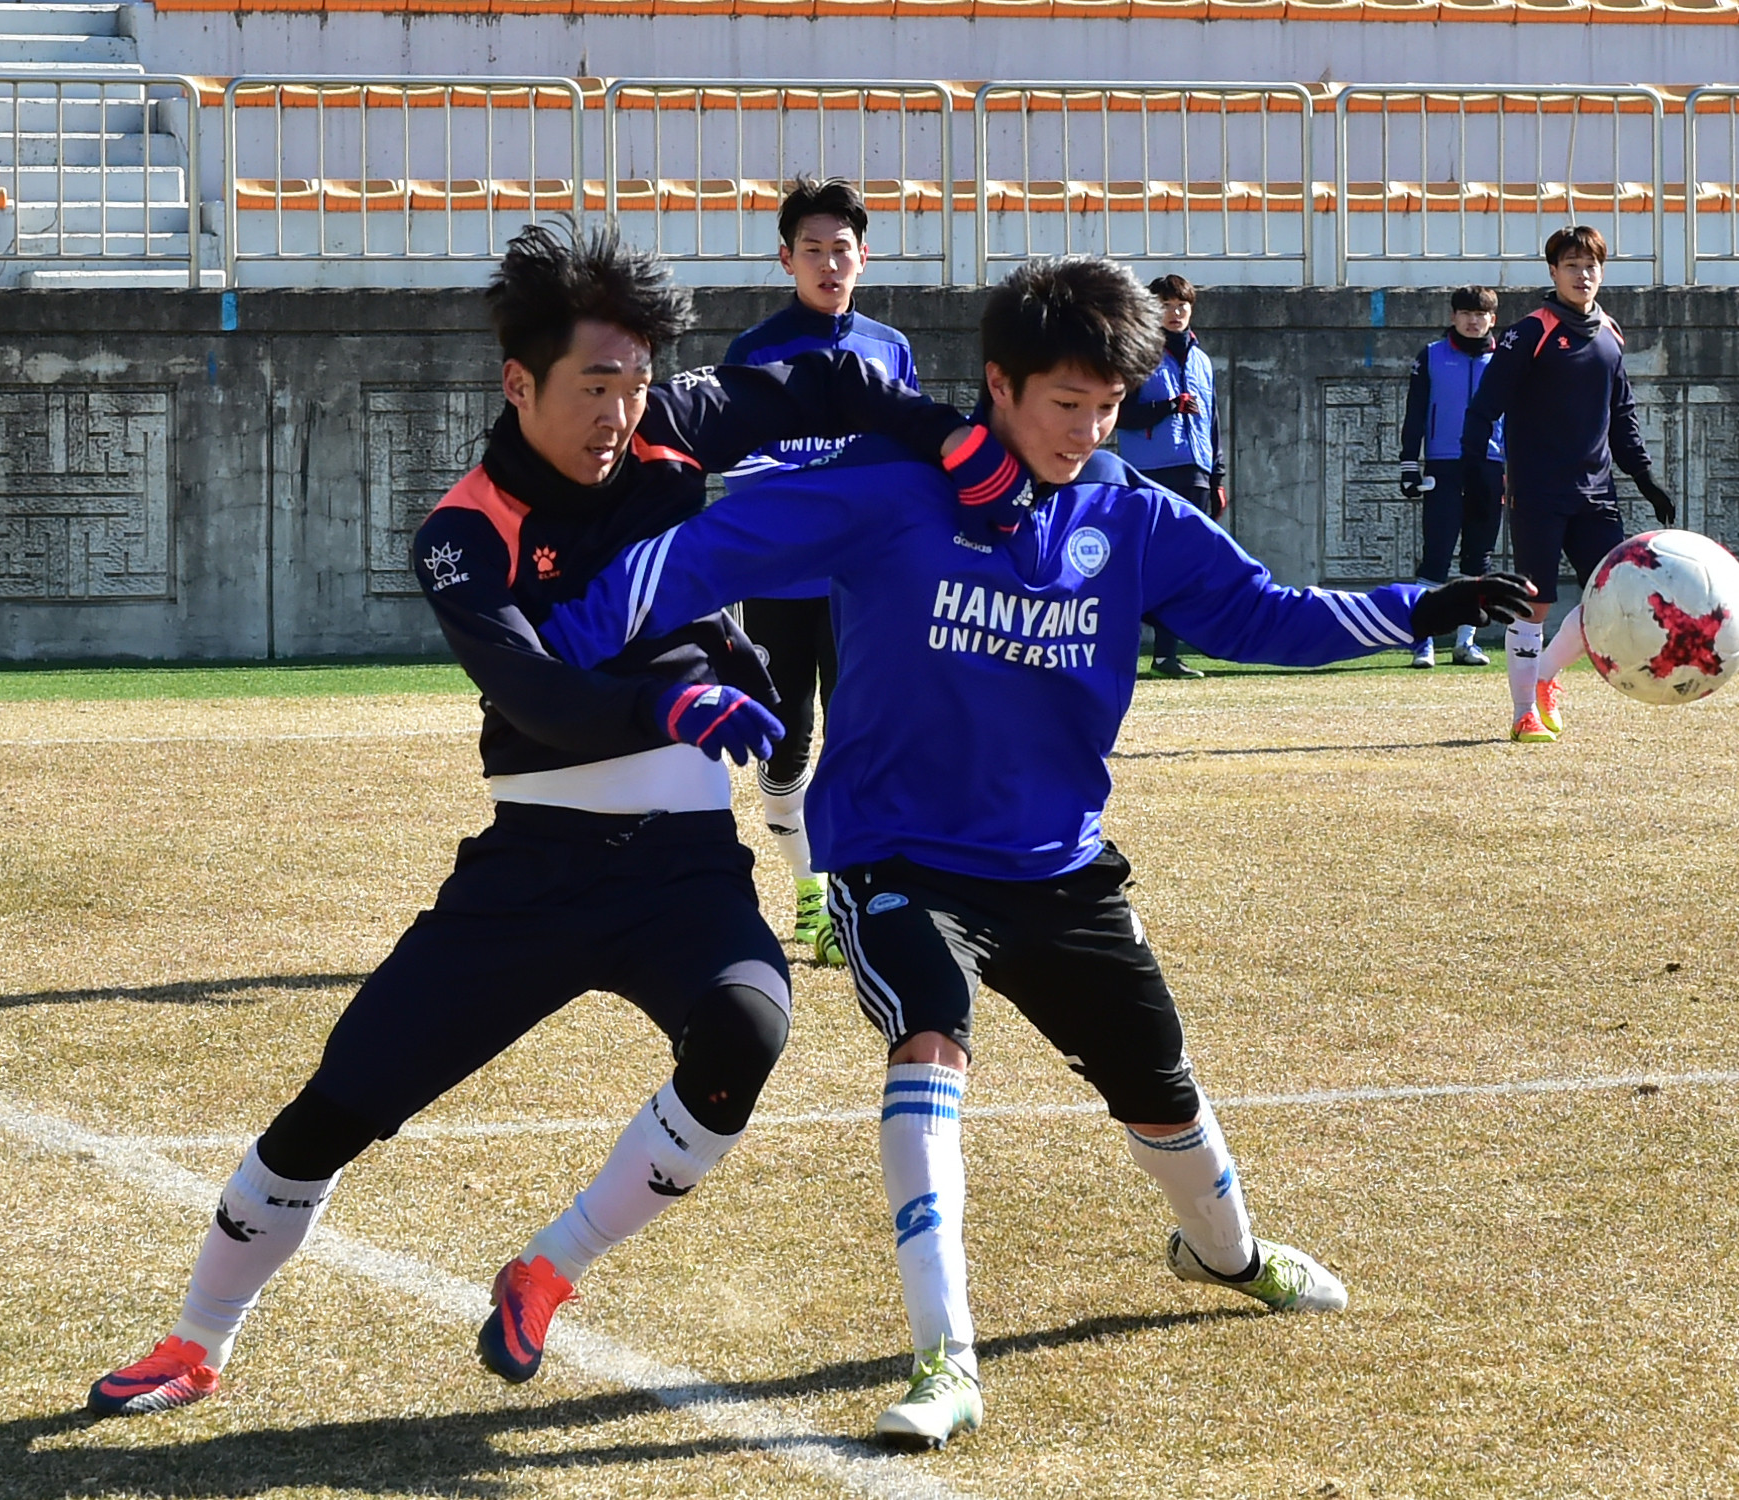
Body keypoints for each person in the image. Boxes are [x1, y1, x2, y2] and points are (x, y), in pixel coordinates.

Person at [536, 256, 1532, 1450]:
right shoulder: (890, 489)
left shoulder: (1129, 514)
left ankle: (1230, 1256)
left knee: (1158, 1096)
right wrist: (555, 641)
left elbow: (1264, 613)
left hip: (1059, 864)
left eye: (1109, 407)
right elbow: (701, 555)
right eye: (1067, 403)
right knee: (930, 1030)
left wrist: (1418, 606)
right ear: (998, 385)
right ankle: (946, 1361)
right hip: (894, 850)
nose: (1089, 429)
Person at [84, 223, 997, 1417]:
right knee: (341, 1103)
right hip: (531, 868)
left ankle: (547, 1270)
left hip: (681, 867)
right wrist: (668, 695)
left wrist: (953, 439)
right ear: (519, 383)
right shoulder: (463, 531)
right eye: (591, 387)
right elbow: (535, 696)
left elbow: (824, 378)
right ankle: (199, 1337)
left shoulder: (673, 420)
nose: (617, 414)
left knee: (746, 1033)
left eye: (631, 385)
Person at [722, 175, 919, 965]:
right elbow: (735, 464)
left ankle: (847, 896)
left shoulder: (890, 350)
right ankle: (807, 887)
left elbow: (907, 461)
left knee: (861, 732)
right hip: (779, 578)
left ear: (864, 257)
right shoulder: (755, 352)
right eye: (813, 250)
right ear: (786, 258)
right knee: (787, 740)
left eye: (842, 249)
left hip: (864, 585)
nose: (829, 263)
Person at [1463, 225, 1676, 743]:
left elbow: (1621, 414)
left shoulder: (1610, 334)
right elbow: (1484, 408)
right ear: (1553, 272)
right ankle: (1522, 713)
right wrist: (1476, 472)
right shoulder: (1529, 333)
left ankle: (1543, 680)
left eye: (1592, 265)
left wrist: (1644, 476)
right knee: (1534, 601)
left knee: (1608, 597)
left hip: (1597, 494)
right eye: (1572, 265)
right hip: (1538, 490)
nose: (1584, 275)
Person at [1115, 273, 1225, 679]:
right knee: (1140, 564)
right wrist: (1168, 407)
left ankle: (1166, 654)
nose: (1175, 312)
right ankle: (1119, 649)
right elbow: (1119, 417)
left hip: (1194, 471)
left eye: (1182, 305)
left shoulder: (1201, 358)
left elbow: (1212, 421)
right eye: (1166, 304)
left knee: (1183, 564)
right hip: (1148, 471)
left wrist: (1217, 476)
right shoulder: (1137, 355)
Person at [1399, 286, 1505, 668]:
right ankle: (1422, 642)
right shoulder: (1430, 356)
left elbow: (1523, 420)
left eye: (1481, 314)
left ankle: (1466, 642)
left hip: (1491, 465)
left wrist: (1518, 471)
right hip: (1443, 465)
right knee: (1436, 556)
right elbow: (1415, 414)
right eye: (1465, 313)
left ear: (1493, 319)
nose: (1473, 320)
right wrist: (1409, 463)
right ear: (1453, 316)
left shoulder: (1507, 360)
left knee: (1478, 557)